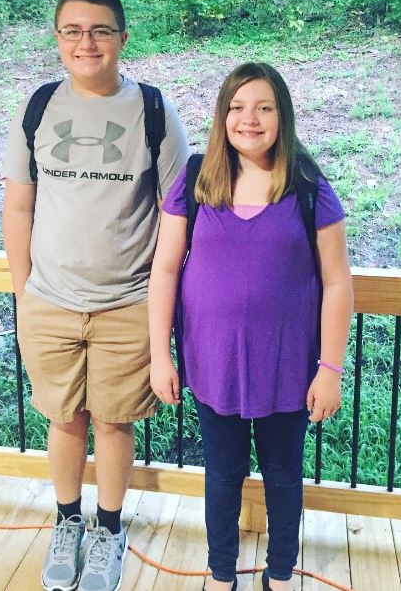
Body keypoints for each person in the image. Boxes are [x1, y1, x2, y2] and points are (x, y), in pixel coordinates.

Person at [1, 0, 190, 591]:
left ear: (122, 38)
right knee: (63, 420)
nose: (87, 42)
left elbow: (177, 216)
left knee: (112, 423)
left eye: (100, 30)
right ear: (58, 39)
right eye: (73, 31)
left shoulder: (154, 111)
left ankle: (108, 530)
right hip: (49, 300)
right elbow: (18, 207)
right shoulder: (38, 107)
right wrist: (24, 293)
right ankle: (66, 522)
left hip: (128, 303)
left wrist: (160, 306)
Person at [148, 62, 353, 591]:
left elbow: (337, 283)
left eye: (264, 108)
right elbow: (165, 269)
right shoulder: (197, 178)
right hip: (212, 363)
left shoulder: (307, 185)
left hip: (289, 366)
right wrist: (160, 355)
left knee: (284, 475)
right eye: (238, 107)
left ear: (282, 116)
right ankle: (221, 573)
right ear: (223, 116)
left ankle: (280, 573)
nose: (250, 119)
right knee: (221, 474)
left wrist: (330, 369)